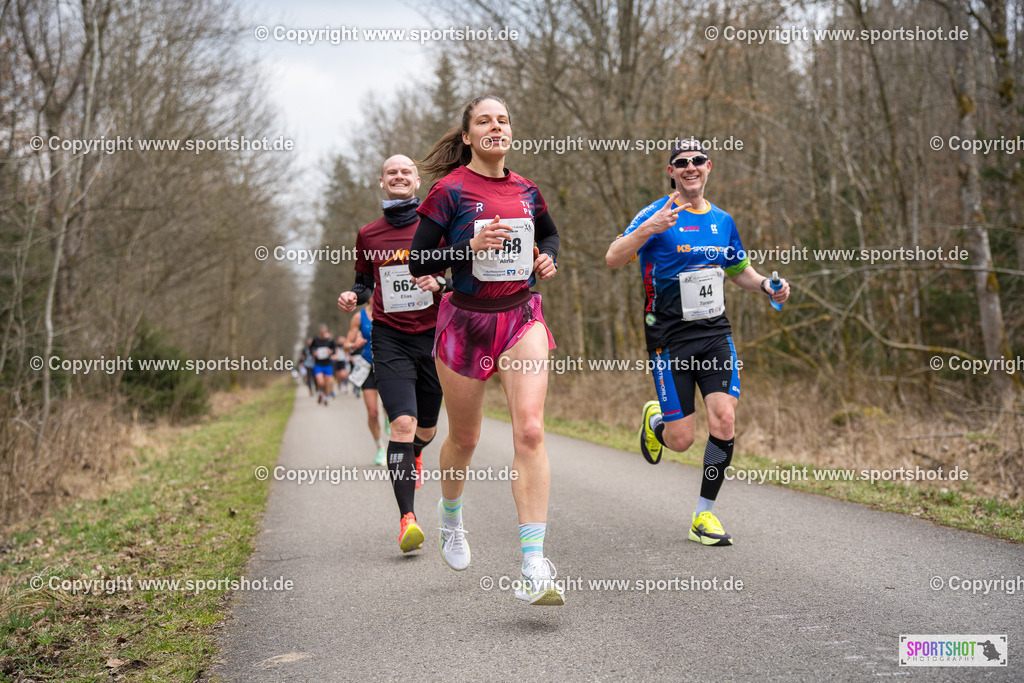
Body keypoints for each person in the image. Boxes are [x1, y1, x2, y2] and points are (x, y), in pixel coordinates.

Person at [410, 95, 564, 606]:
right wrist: (467, 250)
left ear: (510, 132)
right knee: (466, 437)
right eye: (484, 121)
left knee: (531, 429)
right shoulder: (449, 190)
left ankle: (533, 564)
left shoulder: (527, 189)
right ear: (469, 136)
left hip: (521, 316)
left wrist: (546, 259)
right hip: (466, 320)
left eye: (503, 120)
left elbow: (549, 235)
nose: (495, 127)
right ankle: (451, 516)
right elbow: (418, 262)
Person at [605, 138, 790, 546]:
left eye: (698, 160)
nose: (690, 166)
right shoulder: (655, 214)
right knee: (681, 440)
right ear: (671, 171)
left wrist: (766, 285)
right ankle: (657, 421)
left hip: (714, 334)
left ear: (709, 167)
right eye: (681, 162)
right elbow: (613, 257)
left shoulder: (723, 220)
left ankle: (703, 514)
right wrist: (649, 229)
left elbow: (738, 270)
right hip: (668, 338)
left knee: (724, 418)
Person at [338, 154, 447, 554]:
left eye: (406, 172)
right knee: (401, 423)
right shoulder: (369, 234)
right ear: (381, 182)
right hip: (390, 338)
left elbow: (459, 274)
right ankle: (408, 519)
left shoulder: (436, 227)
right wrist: (353, 296)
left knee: (426, 430)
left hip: (434, 336)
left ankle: (415, 454)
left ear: (417, 181)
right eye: (391, 172)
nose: (398, 176)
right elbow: (364, 284)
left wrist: (439, 284)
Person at [344, 305, 386, 466]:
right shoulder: (359, 317)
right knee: (372, 412)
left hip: (388, 365)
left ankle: (389, 417)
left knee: (391, 407)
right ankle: (380, 447)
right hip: (368, 367)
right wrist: (353, 345)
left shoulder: (392, 307)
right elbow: (346, 345)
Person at [308, 325, 337, 405]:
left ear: (326, 331)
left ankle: (325, 397)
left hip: (328, 364)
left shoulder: (330, 340)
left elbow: (334, 350)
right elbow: (310, 350)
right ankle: (321, 392)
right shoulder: (315, 340)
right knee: (320, 382)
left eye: (324, 332)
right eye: (321, 332)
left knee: (328, 382)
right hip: (318, 365)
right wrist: (314, 353)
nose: (323, 333)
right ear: (319, 332)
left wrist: (331, 352)